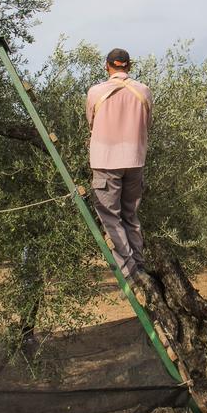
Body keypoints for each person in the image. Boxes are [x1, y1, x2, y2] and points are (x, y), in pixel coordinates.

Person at [86, 48, 153, 288]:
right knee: (131, 215)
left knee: (111, 218)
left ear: (107, 66)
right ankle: (139, 263)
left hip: (105, 161)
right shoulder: (144, 91)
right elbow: (148, 122)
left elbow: (91, 120)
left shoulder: (96, 91)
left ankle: (129, 271)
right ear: (129, 66)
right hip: (135, 161)